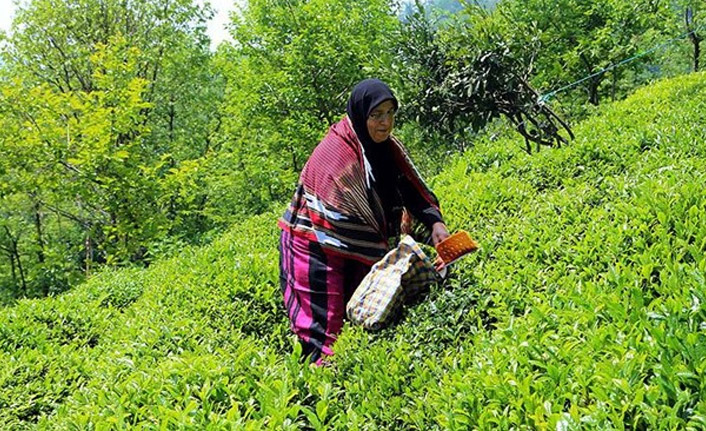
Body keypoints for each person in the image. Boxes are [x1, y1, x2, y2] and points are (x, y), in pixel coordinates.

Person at [277, 78, 450, 364]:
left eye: (390, 113)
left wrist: (435, 222)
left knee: (364, 309)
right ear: (360, 114)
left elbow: (409, 188)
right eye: (376, 115)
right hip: (314, 243)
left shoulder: (387, 148)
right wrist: (387, 257)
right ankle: (318, 386)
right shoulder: (336, 155)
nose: (385, 123)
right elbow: (338, 215)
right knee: (325, 325)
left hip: (356, 240)